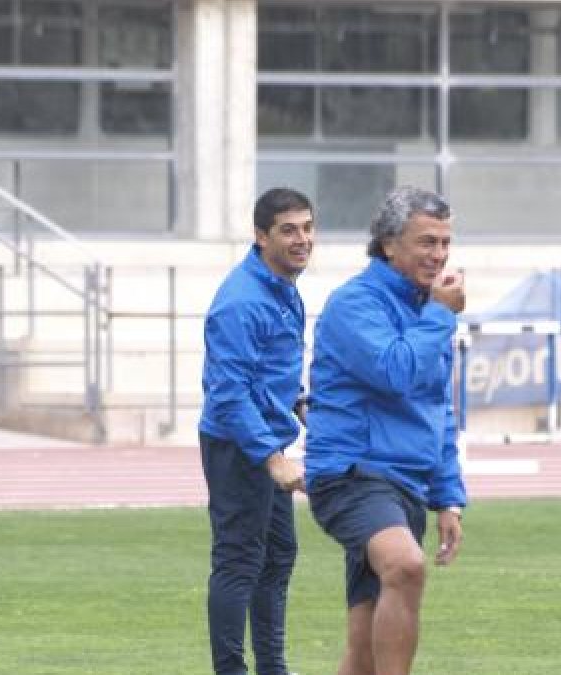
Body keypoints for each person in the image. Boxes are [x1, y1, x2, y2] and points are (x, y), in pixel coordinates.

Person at [305, 186, 467, 675]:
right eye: (426, 242)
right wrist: (440, 314)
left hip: (406, 485)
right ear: (388, 244)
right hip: (352, 474)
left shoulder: (428, 309)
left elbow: (436, 405)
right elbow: (395, 372)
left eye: (444, 243)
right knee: (405, 565)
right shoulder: (355, 304)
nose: (438, 255)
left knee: (361, 650)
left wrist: (448, 496)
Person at [199, 187, 315, 675]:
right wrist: (273, 459)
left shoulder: (284, 288)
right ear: (260, 234)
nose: (301, 239)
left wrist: (307, 408)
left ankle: (272, 668)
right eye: (288, 230)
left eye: (308, 228)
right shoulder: (241, 302)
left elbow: (275, 375)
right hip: (237, 445)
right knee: (239, 560)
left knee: (278, 555)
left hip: (266, 438)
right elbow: (230, 394)